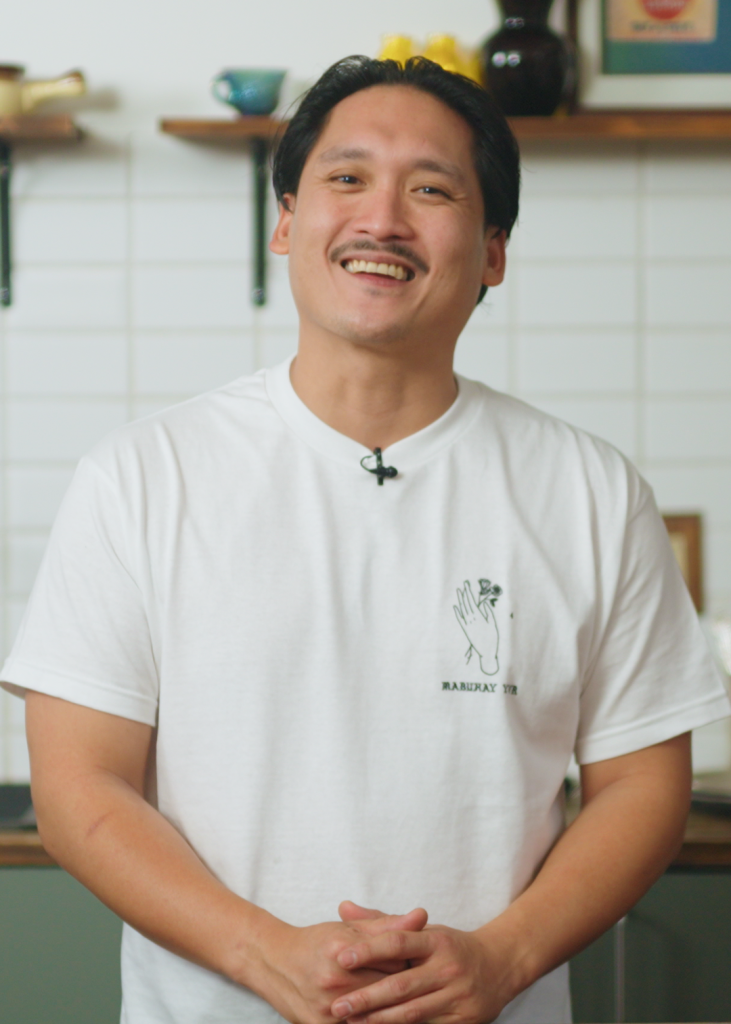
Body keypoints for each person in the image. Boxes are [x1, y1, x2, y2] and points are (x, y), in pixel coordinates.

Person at [2, 55, 729, 1024]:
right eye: (346, 178)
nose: (382, 218)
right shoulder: (142, 476)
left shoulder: (589, 490)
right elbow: (80, 783)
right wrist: (263, 954)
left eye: (430, 189)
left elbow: (642, 783)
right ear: (287, 219)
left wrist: (500, 958)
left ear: (494, 250)